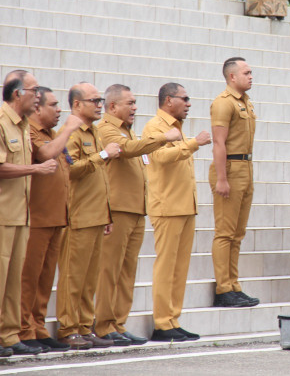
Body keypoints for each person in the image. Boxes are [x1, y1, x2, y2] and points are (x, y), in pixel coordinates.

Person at [95, 84, 181, 346]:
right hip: (118, 209)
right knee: (110, 270)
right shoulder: (107, 129)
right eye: (129, 103)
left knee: (126, 271)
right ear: (113, 106)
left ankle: (118, 323)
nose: (135, 108)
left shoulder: (126, 130)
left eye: (134, 103)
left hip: (135, 209)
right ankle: (103, 324)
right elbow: (126, 149)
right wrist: (164, 138)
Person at [144, 82, 210, 341]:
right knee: (166, 265)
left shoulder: (176, 127)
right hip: (167, 207)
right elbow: (159, 157)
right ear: (169, 100)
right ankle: (161, 322)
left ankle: (173, 319)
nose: (189, 103)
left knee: (179, 267)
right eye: (185, 98)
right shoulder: (154, 127)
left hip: (183, 205)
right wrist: (194, 143)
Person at [20, 87, 82, 352]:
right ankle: (24, 329)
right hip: (37, 217)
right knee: (29, 278)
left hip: (57, 216)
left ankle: (39, 326)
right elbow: (44, 155)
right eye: (54, 105)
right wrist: (69, 128)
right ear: (37, 108)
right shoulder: (31, 131)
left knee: (45, 279)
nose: (59, 110)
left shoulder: (51, 134)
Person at [56, 82, 118, 349]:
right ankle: (68, 329)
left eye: (100, 100)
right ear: (77, 104)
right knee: (73, 276)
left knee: (90, 278)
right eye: (94, 100)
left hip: (96, 215)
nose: (99, 105)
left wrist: (107, 213)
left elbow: (101, 178)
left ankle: (84, 326)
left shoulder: (95, 132)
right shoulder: (70, 134)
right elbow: (71, 170)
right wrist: (103, 155)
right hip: (79, 215)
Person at [0, 71, 58, 357]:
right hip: (3, 214)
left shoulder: (22, 125)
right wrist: (36, 169)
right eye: (34, 91)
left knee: (13, 280)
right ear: (16, 93)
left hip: (21, 215)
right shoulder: (2, 123)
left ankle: (9, 336)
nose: (38, 96)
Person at [210, 58, 259, 307]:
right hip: (230, 168)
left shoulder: (245, 103)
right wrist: (221, 178)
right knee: (225, 233)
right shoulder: (223, 103)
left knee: (238, 234)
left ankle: (234, 284)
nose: (251, 76)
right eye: (246, 72)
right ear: (232, 77)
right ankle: (223, 287)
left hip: (245, 168)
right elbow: (218, 143)